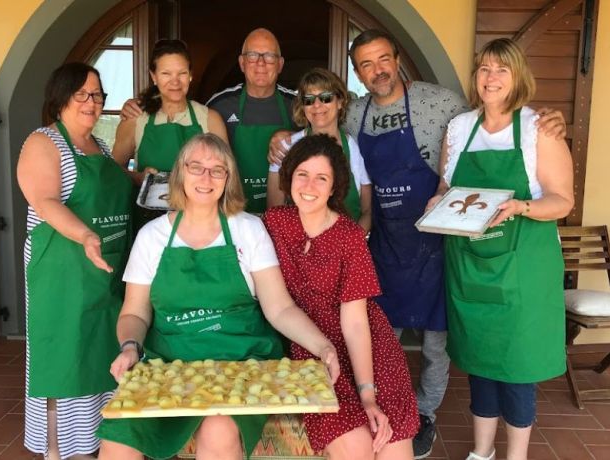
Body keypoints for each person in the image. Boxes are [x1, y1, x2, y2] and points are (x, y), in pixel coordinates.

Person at [269, 28, 566, 459]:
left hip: (438, 242)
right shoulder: (352, 116)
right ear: (357, 74)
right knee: (380, 330)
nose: (378, 70)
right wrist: (280, 139)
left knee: (436, 340)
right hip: (381, 242)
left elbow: (497, 117)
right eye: (366, 65)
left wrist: (547, 117)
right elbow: (317, 131)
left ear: (398, 59)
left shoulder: (441, 104)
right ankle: (383, 405)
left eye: (383, 59)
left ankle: (425, 414)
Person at [96, 133, 339, 460]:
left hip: (240, 362)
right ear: (180, 173)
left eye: (217, 169)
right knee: (118, 436)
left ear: (229, 179)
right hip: (169, 365)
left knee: (219, 427)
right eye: (196, 167)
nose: (206, 177)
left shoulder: (248, 229)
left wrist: (322, 346)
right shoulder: (151, 238)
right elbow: (134, 314)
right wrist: (129, 347)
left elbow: (279, 308)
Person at [428, 38, 573, 460]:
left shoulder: (537, 129)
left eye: (501, 69)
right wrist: (438, 201)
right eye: (485, 69)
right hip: (470, 263)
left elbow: (563, 200)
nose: (491, 78)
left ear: (517, 77)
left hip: (522, 269)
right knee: (478, 360)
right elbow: (446, 186)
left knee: (516, 367)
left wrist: (520, 207)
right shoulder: (459, 129)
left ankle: (516, 456)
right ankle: (481, 451)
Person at [264, 134, 418, 459]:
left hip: (366, 345)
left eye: (322, 178)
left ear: (334, 187)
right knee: (355, 447)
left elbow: (356, 323)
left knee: (393, 447)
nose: (310, 185)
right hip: (312, 344)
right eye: (302, 174)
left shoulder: (349, 235)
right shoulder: (273, 224)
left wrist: (368, 395)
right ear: (289, 176)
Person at [17, 62, 132, 459]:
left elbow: (115, 187)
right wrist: (85, 234)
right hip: (62, 275)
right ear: (61, 96)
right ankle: (60, 450)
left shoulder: (99, 147)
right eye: (82, 93)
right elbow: (45, 200)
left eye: (98, 95)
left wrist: (145, 178)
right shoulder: (43, 142)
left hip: (103, 273)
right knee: (65, 360)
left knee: (101, 358)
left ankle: (98, 445)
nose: (92, 102)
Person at [111, 39, 227, 228]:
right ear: (154, 76)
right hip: (148, 223)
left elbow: (226, 173)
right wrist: (138, 177)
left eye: (182, 73)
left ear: (190, 75)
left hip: (199, 223)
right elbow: (112, 170)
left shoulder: (209, 119)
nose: (175, 82)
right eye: (166, 73)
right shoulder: (136, 119)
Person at [267, 67, 371, 231]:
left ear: (340, 102)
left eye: (325, 97)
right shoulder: (285, 147)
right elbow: (274, 209)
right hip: (299, 247)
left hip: (347, 247)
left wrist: (352, 245)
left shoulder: (357, 149)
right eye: (309, 100)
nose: (317, 105)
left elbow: (368, 210)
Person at [206, 28, 296, 213]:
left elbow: (321, 144)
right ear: (242, 63)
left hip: (284, 216)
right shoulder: (219, 105)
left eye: (269, 56)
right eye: (253, 55)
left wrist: (294, 136)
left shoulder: (297, 105)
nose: (261, 63)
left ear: (280, 64)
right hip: (233, 213)